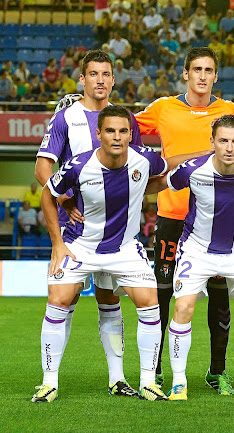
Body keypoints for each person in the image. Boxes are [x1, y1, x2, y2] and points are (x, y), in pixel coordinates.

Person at [134, 47, 234, 392]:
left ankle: (217, 372)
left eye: (209, 70)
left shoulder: (228, 111)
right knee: (162, 294)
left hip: (217, 218)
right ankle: (154, 371)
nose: (202, 76)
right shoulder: (163, 108)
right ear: (185, 74)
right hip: (173, 214)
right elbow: (125, 129)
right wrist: (154, 160)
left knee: (218, 297)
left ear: (216, 76)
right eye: (197, 69)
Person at [32, 105, 170, 403]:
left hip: (123, 248)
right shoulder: (79, 166)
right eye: (110, 131)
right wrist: (58, 243)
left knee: (149, 303)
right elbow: (48, 194)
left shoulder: (145, 159)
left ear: (131, 135)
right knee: (58, 301)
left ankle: (147, 382)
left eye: (123, 131)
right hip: (80, 246)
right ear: (99, 134)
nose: (117, 137)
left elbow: (162, 176)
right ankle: (49, 383)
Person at [35, 50, 147, 399]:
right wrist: (65, 200)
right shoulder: (66, 117)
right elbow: (43, 166)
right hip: (78, 230)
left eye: (106, 74)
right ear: (82, 79)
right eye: (93, 74)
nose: (100, 80)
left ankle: (117, 378)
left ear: (113, 79)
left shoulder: (125, 119)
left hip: (116, 232)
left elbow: (139, 166)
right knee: (62, 299)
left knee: (108, 300)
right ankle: (49, 381)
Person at [144, 115, 234, 401]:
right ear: (212, 142)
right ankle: (179, 383)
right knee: (184, 308)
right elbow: (159, 185)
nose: (229, 148)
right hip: (197, 249)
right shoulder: (191, 172)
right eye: (223, 141)